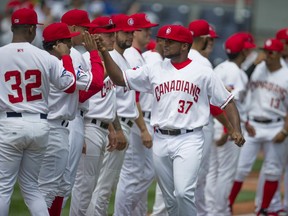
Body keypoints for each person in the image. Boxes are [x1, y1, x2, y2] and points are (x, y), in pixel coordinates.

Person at [95, 24, 245, 216]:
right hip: (161, 139)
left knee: (183, 192)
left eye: (170, 41)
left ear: (184, 46)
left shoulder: (203, 72)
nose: (164, 44)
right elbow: (119, 79)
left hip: (189, 139)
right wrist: (104, 53)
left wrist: (236, 129)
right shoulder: (154, 69)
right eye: (163, 40)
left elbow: (227, 101)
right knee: (169, 198)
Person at [0, 8, 76, 216]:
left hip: (10, 123)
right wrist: (66, 57)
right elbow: (69, 84)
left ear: (12, 27)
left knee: (3, 187)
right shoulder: (45, 57)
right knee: (32, 188)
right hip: (40, 124)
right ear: (32, 29)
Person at [51, 9, 105, 214]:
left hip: (62, 118)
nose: (88, 33)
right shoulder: (73, 54)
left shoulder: (57, 53)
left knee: (51, 184)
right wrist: (96, 57)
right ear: (73, 29)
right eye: (85, 28)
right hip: (68, 119)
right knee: (63, 183)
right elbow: (88, 88)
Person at [86, 14, 139, 216]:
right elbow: (106, 100)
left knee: (102, 186)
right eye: (125, 32)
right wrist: (115, 129)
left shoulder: (119, 59)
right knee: (101, 187)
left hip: (112, 125)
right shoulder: (108, 58)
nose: (130, 36)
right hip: (106, 126)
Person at [229, 38, 288, 215]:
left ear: (279, 54)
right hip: (252, 124)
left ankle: (264, 209)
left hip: (275, 126)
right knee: (240, 168)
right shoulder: (255, 68)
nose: (266, 55)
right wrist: (245, 120)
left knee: (272, 170)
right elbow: (239, 87)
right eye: (264, 50)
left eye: (270, 52)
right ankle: (227, 205)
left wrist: (285, 131)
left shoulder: (286, 74)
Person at [69, 16, 120, 216]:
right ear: (94, 36)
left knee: (90, 188)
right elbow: (85, 91)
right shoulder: (86, 59)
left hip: (100, 126)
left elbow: (108, 98)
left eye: (113, 33)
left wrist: (112, 128)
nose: (112, 37)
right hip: (87, 124)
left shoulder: (103, 58)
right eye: (107, 33)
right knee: (83, 188)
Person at [205, 33, 256, 216]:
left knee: (212, 171)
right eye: (248, 50)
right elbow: (228, 103)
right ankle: (218, 211)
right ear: (243, 51)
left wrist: (245, 123)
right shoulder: (236, 72)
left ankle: (210, 209)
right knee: (225, 173)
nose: (250, 53)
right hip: (226, 127)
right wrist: (229, 130)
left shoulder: (220, 67)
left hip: (215, 123)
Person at [114, 12, 157, 216]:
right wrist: (142, 128)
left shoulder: (137, 54)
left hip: (136, 120)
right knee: (131, 175)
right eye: (145, 29)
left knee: (145, 173)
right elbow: (134, 96)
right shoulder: (130, 54)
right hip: (132, 120)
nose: (149, 32)